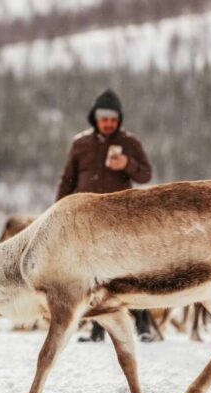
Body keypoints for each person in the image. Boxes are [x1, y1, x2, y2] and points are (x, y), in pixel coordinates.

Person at [56, 89, 155, 343]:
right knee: (94, 276)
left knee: (129, 273)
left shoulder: (130, 143)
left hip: (121, 220)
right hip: (87, 221)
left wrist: (127, 165)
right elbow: (67, 181)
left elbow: (146, 175)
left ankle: (143, 325)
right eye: (104, 118)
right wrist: (59, 215)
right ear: (95, 118)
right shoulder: (80, 144)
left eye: (113, 119)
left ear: (119, 119)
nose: (108, 123)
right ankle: (97, 329)